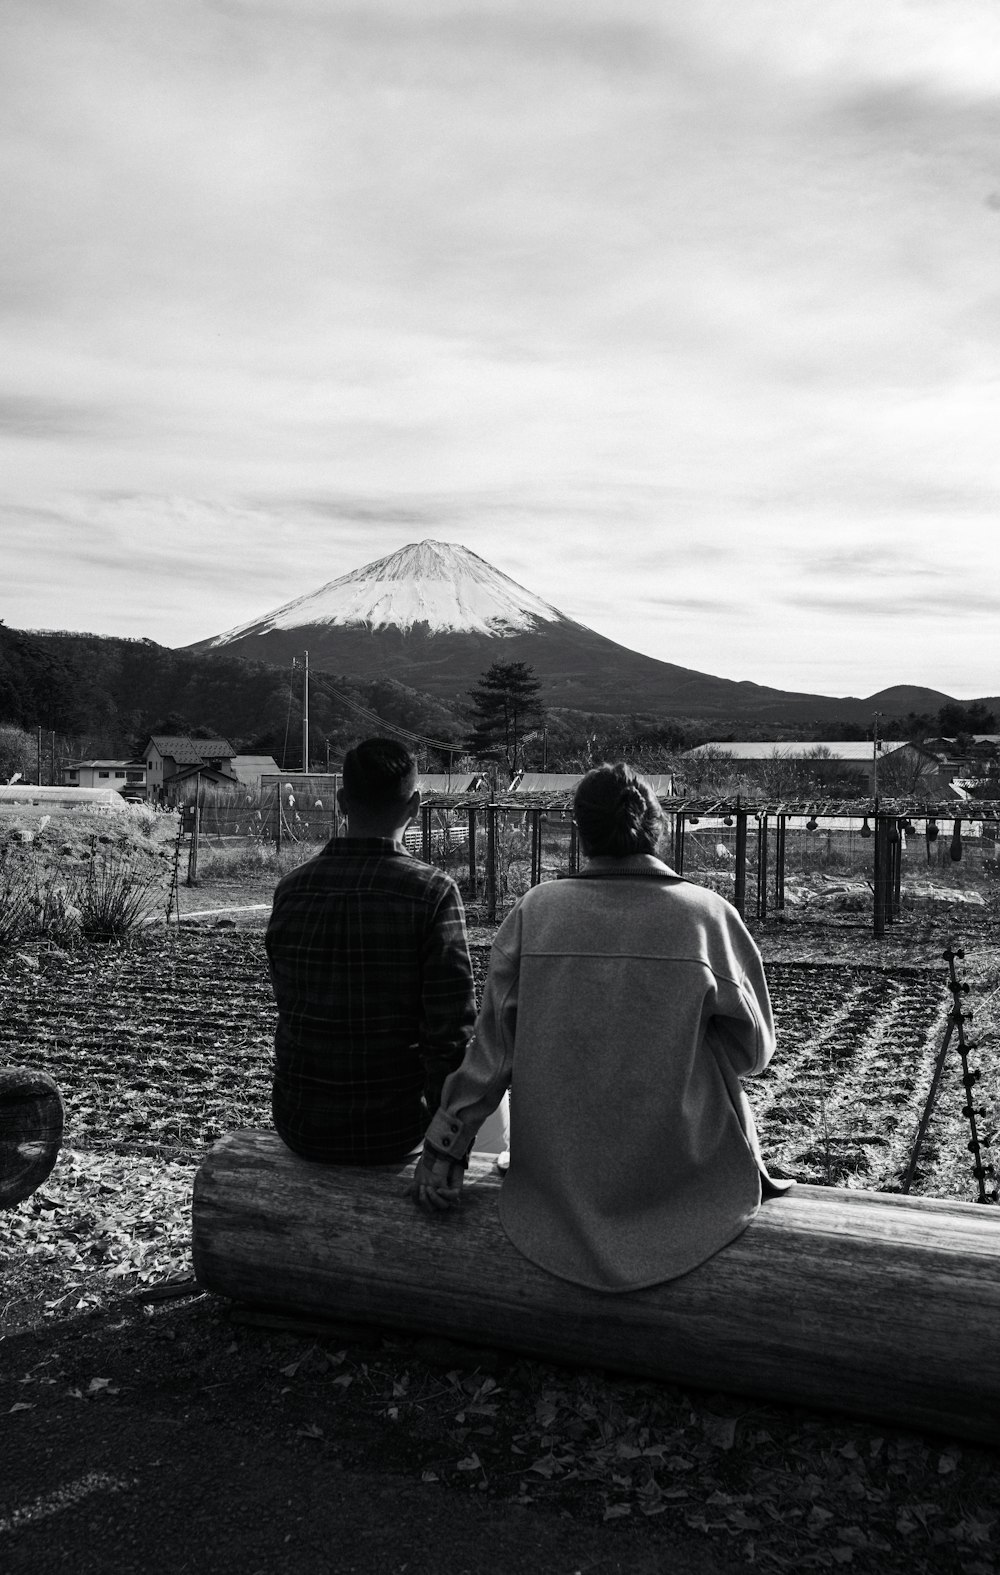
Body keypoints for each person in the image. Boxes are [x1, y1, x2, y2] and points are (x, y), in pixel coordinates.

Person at [412, 761, 789, 1290]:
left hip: (553, 1184)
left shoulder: (535, 911)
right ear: (654, 829)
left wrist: (447, 1145)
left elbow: (493, 1054)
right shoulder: (708, 917)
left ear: (581, 832)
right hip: (689, 1182)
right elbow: (754, 1053)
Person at [266, 737, 476, 1165]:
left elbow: (289, 1002)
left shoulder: (292, 889)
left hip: (300, 1123)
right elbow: (451, 1032)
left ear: (342, 801)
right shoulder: (433, 892)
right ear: (415, 805)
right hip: (395, 1130)